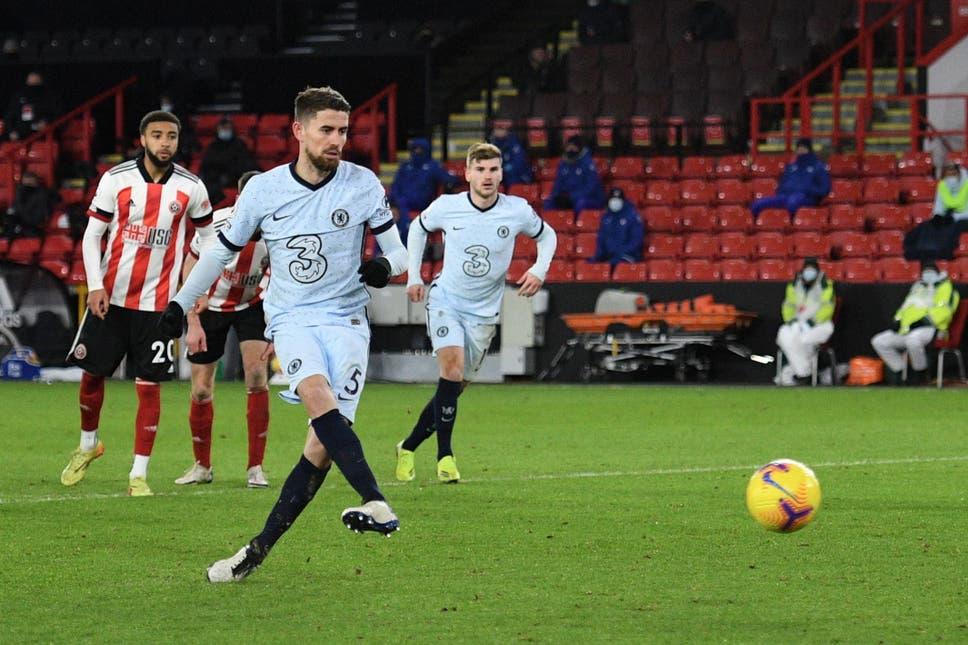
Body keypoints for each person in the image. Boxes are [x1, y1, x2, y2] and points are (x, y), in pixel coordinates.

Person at [158, 86, 409, 583]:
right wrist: (181, 303)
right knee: (317, 397)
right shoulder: (264, 190)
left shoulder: (362, 184)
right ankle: (376, 500)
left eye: (344, 131)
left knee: (319, 448)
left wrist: (383, 265)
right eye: (327, 130)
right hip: (292, 320)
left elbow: (400, 254)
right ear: (299, 131)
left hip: (348, 322)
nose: (338, 140)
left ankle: (254, 552)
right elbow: (218, 252)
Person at [60, 110, 214, 496]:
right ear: (142, 139)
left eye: (172, 136)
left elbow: (210, 242)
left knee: (149, 387)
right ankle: (87, 445)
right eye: (158, 135)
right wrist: (95, 286)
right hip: (110, 300)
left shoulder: (192, 187)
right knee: (92, 375)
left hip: (160, 305)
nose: (165, 142)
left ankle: (138, 474)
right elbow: (92, 235)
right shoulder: (116, 179)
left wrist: (195, 288)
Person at [394, 142, 557, 483]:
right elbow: (419, 229)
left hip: (483, 314)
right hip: (446, 301)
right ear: (467, 173)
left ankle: (407, 446)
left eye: (493, 169)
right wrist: (414, 274)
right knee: (451, 371)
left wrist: (540, 270)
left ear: (501, 173)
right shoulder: (447, 207)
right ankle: (445, 457)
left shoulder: (516, 210)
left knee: (453, 388)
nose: (487, 176)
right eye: (480, 169)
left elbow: (548, 236)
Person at [174, 170, 271, 489]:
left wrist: (275, 327)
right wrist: (192, 320)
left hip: (251, 305)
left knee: (257, 379)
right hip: (209, 307)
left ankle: (256, 467)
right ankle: (202, 466)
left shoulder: (278, 230)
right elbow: (189, 266)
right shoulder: (215, 224)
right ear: (240, 198)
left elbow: (283, 278)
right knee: (201, 389)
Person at [871, 261, 960, 385]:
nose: (927, 275)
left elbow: (945, 311)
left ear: (938, 273)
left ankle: (921, 374)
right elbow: (905, 308)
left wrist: (924, 321)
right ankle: (901, 371)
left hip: (934, 329)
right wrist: (897, 321)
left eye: (930, 272)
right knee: (879, 341)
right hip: (907, 329)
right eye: (925, 272)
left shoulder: (946, 288)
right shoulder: (918, 288)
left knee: (912, 341)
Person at [775, 257, 835, 386]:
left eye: (812, 270)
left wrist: (813, 321)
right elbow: (788, 305)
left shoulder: (826, 285)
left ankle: (791, 374)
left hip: (820, 324)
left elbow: (827, 306)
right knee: (783, 334)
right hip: (798, 322)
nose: (809, 273)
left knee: (802, 341)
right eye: (807, 269)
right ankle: (805, 373)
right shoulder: (794, 285)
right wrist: (791, 320)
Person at [388, 137, 457, 241]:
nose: (417, 151)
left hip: (424, 205)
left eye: (420, 149)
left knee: (406, 223)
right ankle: (381, 253)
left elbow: (449, 179)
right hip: (401, 205)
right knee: (385, 220)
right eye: (415, 149)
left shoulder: (433, 166)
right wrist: (395, 203)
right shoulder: (405, 167)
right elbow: (395, 187)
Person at [750, 138, 830, 219]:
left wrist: (807, 190)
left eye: (804, 148)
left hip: (807, 198)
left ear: (809, 149)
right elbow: (782, 185)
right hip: (785, 196)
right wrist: (784, 191)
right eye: (799, 148)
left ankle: (790, 225)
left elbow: (824, 189)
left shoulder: (818, 167)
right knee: (758, 205)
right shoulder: (791, 167)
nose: (801, 150)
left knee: (792, 203)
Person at [199, 117, 258, 205]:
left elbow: (244, 164)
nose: (225, 131)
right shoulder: (213, 146)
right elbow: (206, 165)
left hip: (234, 178)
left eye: (227, 128)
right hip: (214, 179)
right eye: (222, 129)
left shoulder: (239, 145)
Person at [543, 135, 605, 213]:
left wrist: (571, 197)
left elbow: (591, 188)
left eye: (573, 147)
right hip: (568, 198)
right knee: (549, 203)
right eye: (569, 147)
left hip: (590, 198)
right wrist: (557, 196)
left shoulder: (588, 163)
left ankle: (575, 224)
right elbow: (558, 183)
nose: (570, 149)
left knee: (580, 203)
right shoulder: (563, 163)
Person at [591, 187, 644, 266]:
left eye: (618, 199)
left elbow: (636, 240)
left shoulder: (632, 216)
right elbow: (601, 237)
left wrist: (620, 252)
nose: (615, 202)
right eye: (613, 199)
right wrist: (599, 255)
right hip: (609, 255)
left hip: (628, 256)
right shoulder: (606, 217)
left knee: (615, 265)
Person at [3, 70, 61, 141]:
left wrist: (46, 122)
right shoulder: (19, 97)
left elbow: (57, 114)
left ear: (41, 82)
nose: (32, 85)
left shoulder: (50, 97)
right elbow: (9, 117)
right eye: (30, 82)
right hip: (20, 137)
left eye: (35, 83)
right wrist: (11, 131)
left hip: (41, 137)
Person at [3, 171, 53, 240]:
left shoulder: (42, 195)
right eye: (25, 184)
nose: (27, 187)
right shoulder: (20, 194)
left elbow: (37, 219)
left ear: (36, 183)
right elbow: (11, 212)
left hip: (33, 230)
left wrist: (19, 225)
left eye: (30, 184)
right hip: (19, 229)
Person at [490, 119, 533, 188]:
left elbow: (519, 163)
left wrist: (504, 168)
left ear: (506, 130)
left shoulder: (514, 142)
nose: (497, 131)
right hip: (501, 176)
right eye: (496, 128)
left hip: (519, 177)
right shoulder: (493, 143)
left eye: (500, 129)